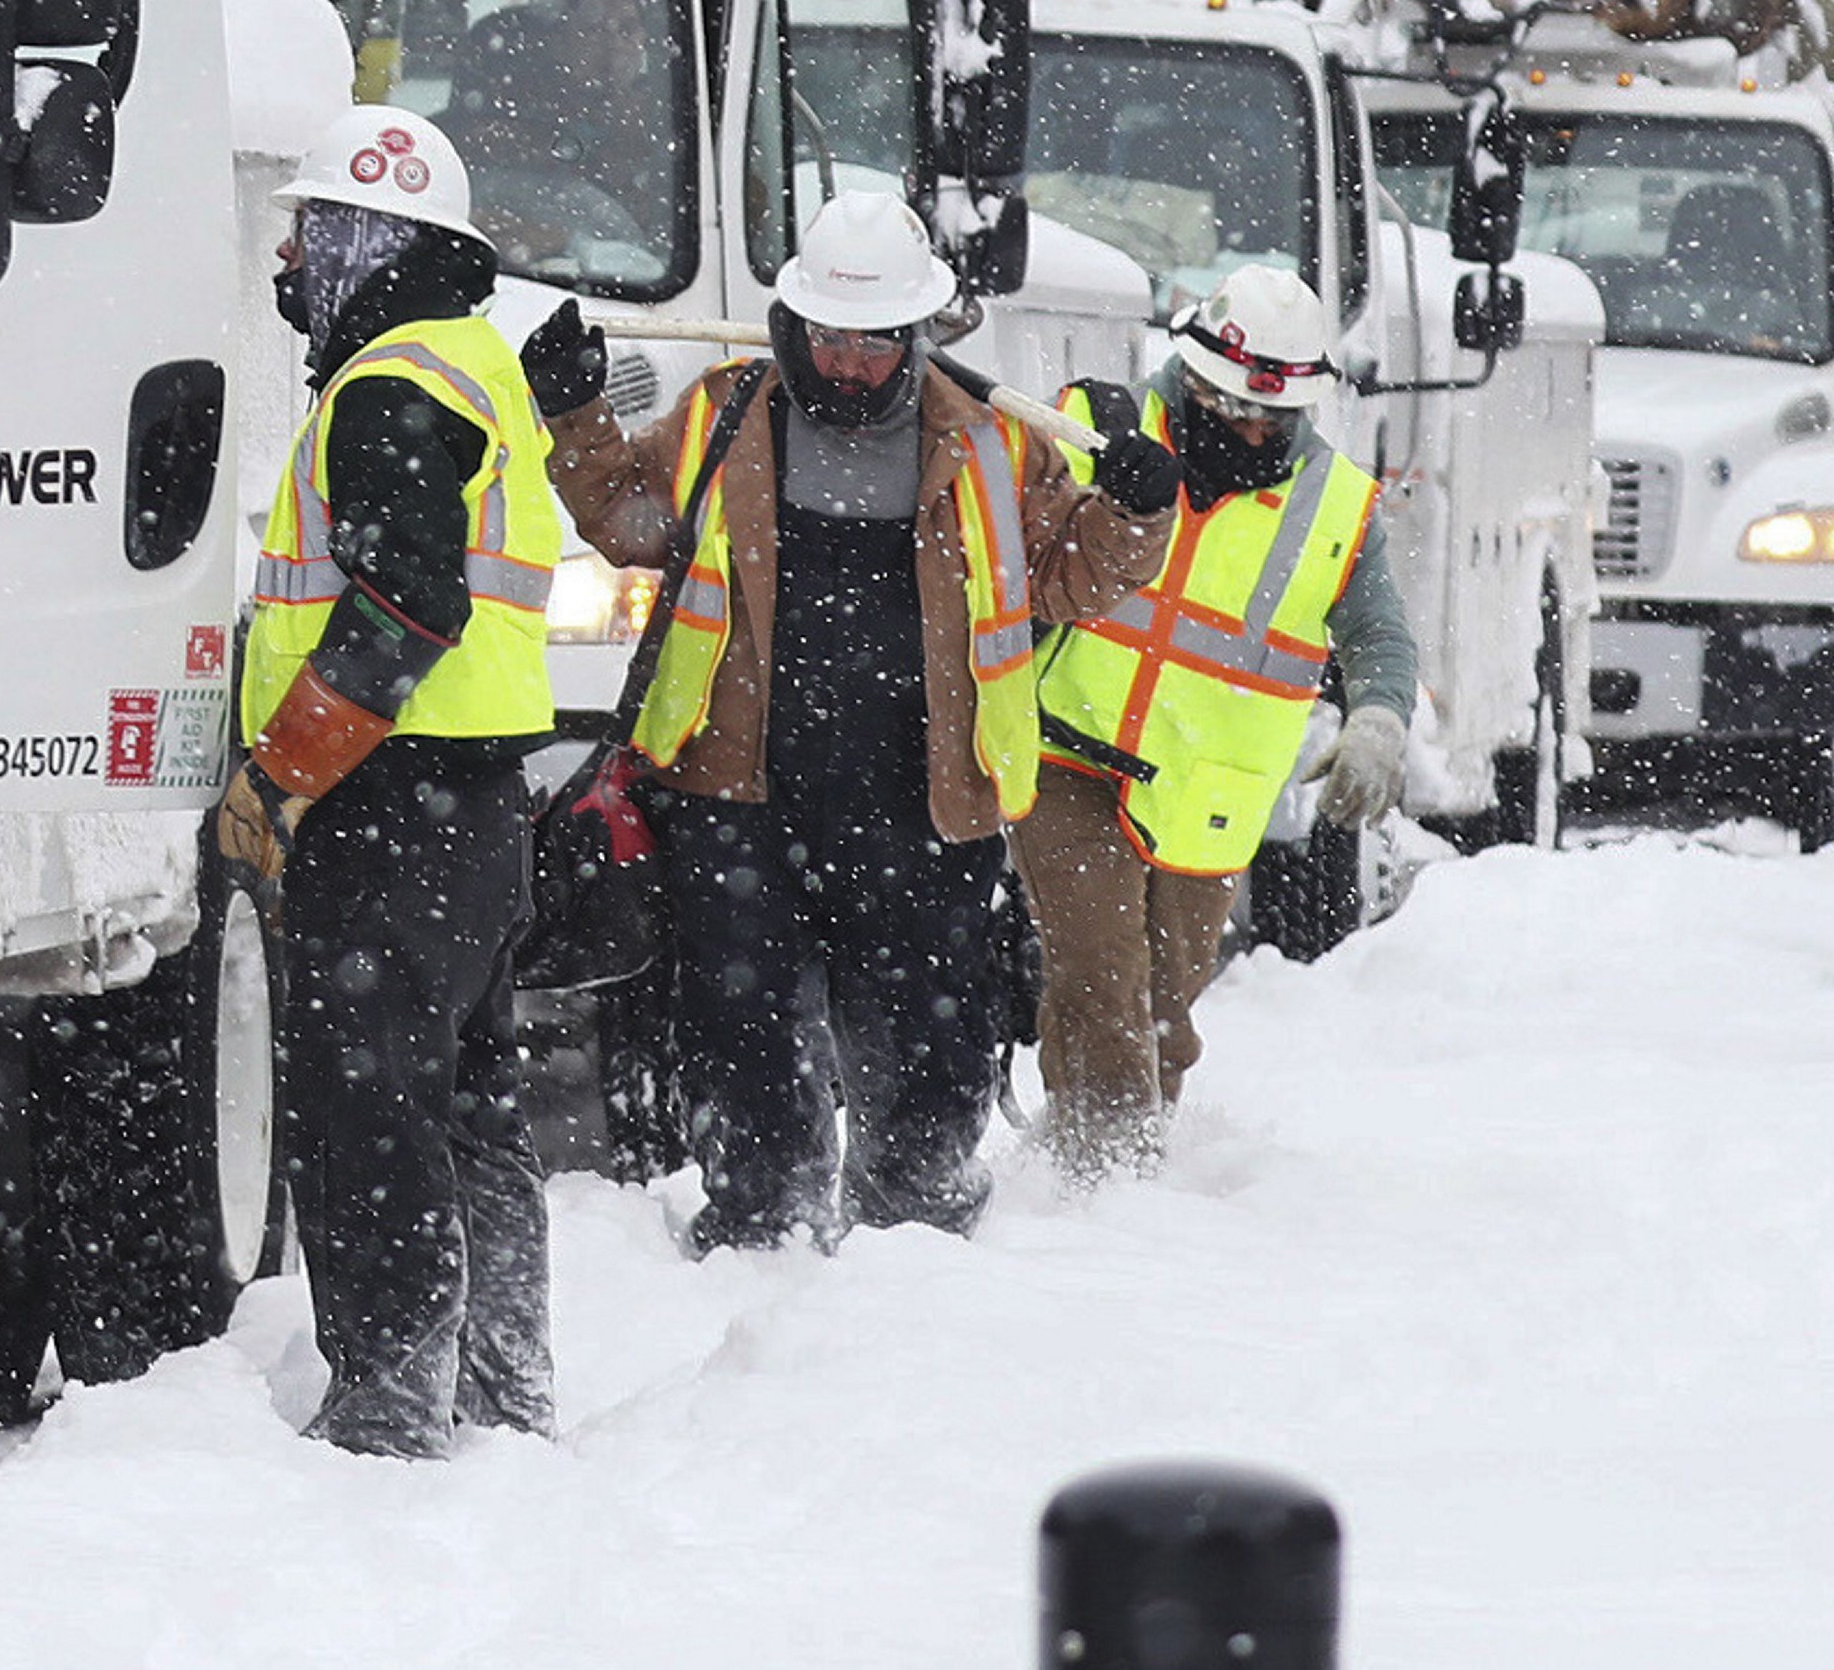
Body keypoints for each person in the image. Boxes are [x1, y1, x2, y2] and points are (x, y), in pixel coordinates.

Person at [542, 193, 1177, 1249]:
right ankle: (762, 1230)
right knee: (743, 1036)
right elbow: (627, 519)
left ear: (916, 335)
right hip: (737, 797)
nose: (845, 366)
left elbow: (1072, 575)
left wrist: (1136, 509)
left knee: (934, 1044)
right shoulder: (720, 418)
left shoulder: (991, 449)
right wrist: (577, 414)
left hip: (927, 808)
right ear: (793, 326)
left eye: (871, 346)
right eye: (828, 340)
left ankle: (915, 1235)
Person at [214, 110, 609, 1454]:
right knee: (469, 1103)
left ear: (368, 244)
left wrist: (277, 777)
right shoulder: (468, 367)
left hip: (389, 804)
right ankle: (499, 1386)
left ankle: (390, 1411)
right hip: (476, 807)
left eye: (310, 229)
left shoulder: (387, 386)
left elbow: (405, 609)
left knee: (370, 1106)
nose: (287, 255)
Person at [1014, 262, 1419, 1180]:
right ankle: (1106, 1182)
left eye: (1266, 414)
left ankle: (1093, 1167)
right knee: (1101, 979)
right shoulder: (1092, 425)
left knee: (1163, 1011)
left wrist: (1378, 721)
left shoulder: (1336, 504)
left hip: (1209, 794)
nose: (1244, 426)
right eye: (1225, 403)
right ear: (1187, 374)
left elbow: (1378, 631)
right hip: (1068, 751)